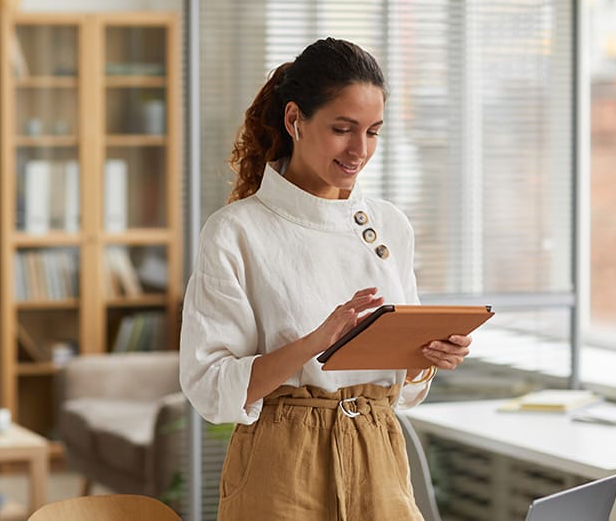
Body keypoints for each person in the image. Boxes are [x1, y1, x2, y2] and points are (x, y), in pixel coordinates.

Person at [179, 37, 473, 520]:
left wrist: (427, 358)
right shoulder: (236, 232)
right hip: (281, 465)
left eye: (374, 132)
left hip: (379, 454)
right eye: (343, 129)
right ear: (295, 120)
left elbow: (406, 388)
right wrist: (315, 342)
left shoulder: (390, 225)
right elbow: (209, 385)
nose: (360, 150)